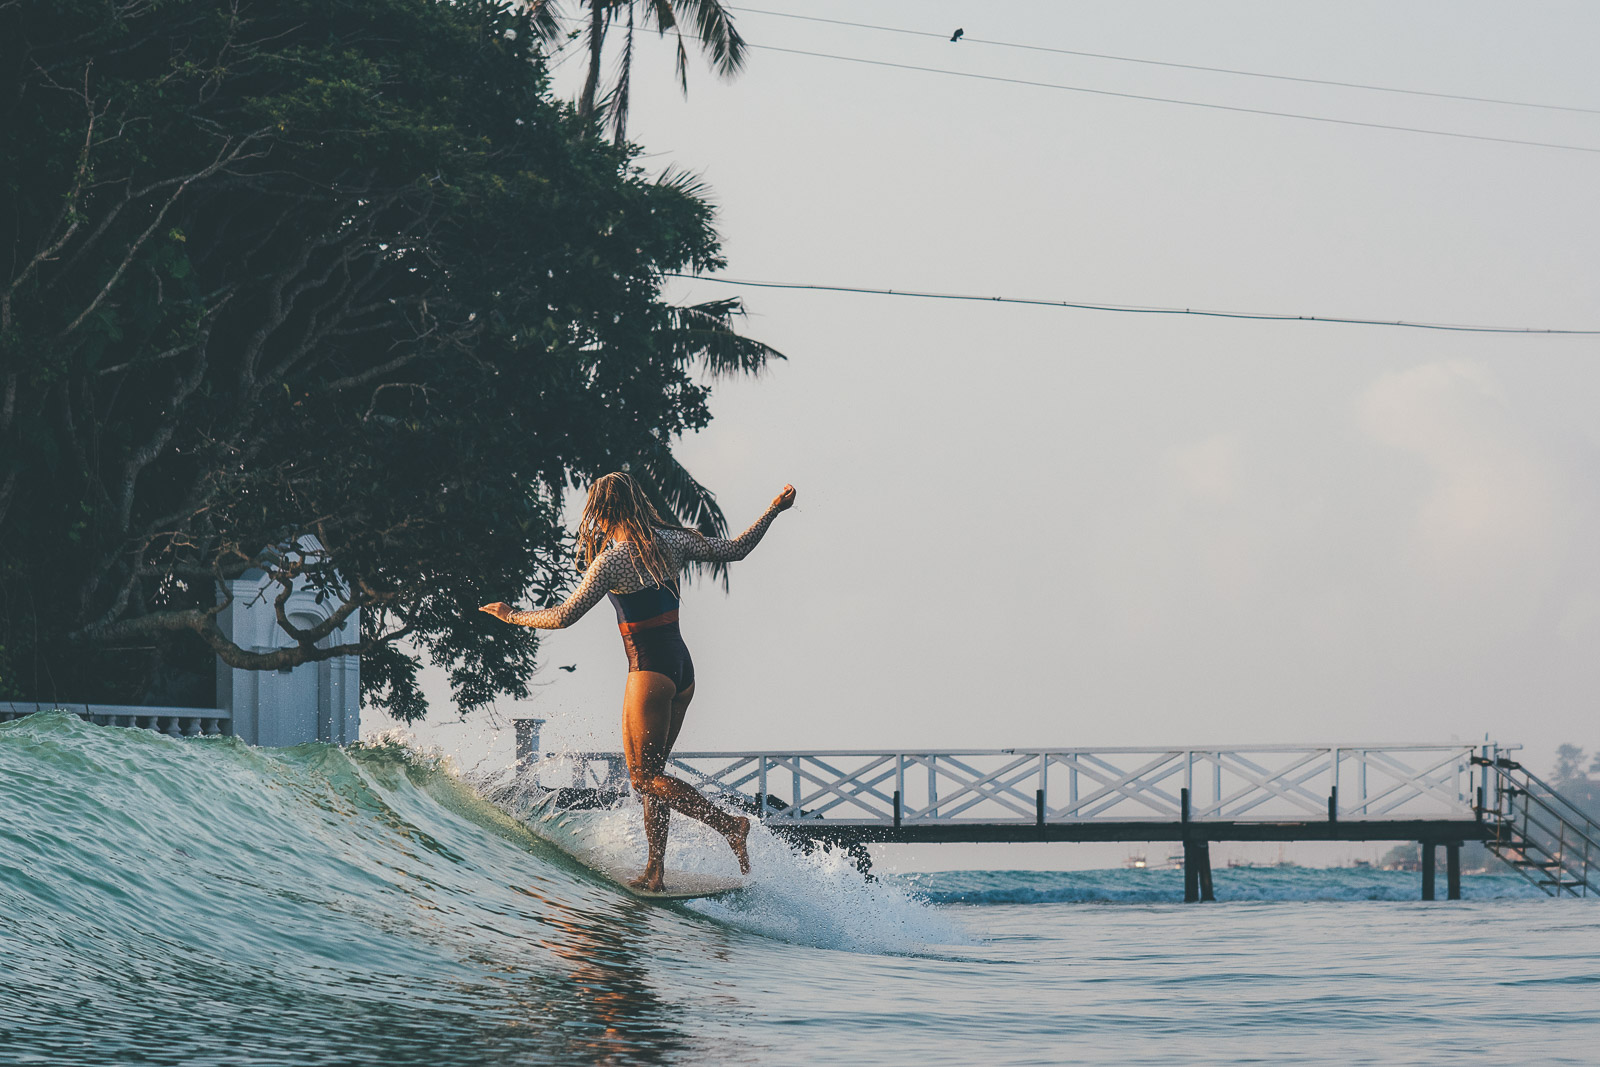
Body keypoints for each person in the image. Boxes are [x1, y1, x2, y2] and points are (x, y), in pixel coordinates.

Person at [481, 472, 795, 890]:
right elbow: (736, 549)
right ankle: (655, 871)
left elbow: (563, 616)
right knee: (654, 778)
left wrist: (512, 616)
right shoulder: (672, 541)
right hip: (682, 668)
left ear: (602, 511)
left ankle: (729, 826)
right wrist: (773, 510)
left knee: (644, 779)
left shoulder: (613, 560)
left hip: (648, 671)